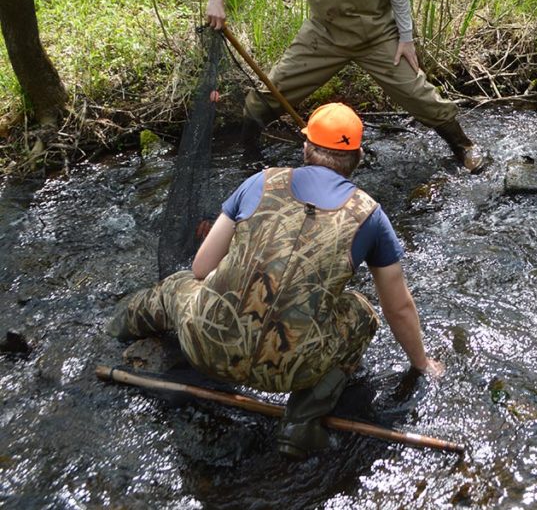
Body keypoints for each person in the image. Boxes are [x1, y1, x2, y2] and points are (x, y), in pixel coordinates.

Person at [106, 103, 444, 459]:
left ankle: (119, 327)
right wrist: (422, 364)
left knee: (177, 284)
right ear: (356, 157)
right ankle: (301, 422)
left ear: (306, 149)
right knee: (361, 313)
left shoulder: (260, 181)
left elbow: (202, 267)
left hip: (205, 343)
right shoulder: (370, 216)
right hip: (288, 372)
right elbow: (399, 306)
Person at [206, 0, 487, 173]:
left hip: (377, 35)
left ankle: (464, 146)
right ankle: (250, 162)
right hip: (324, 35)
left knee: (420, 96)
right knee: (266, 97)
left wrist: (406, 38)